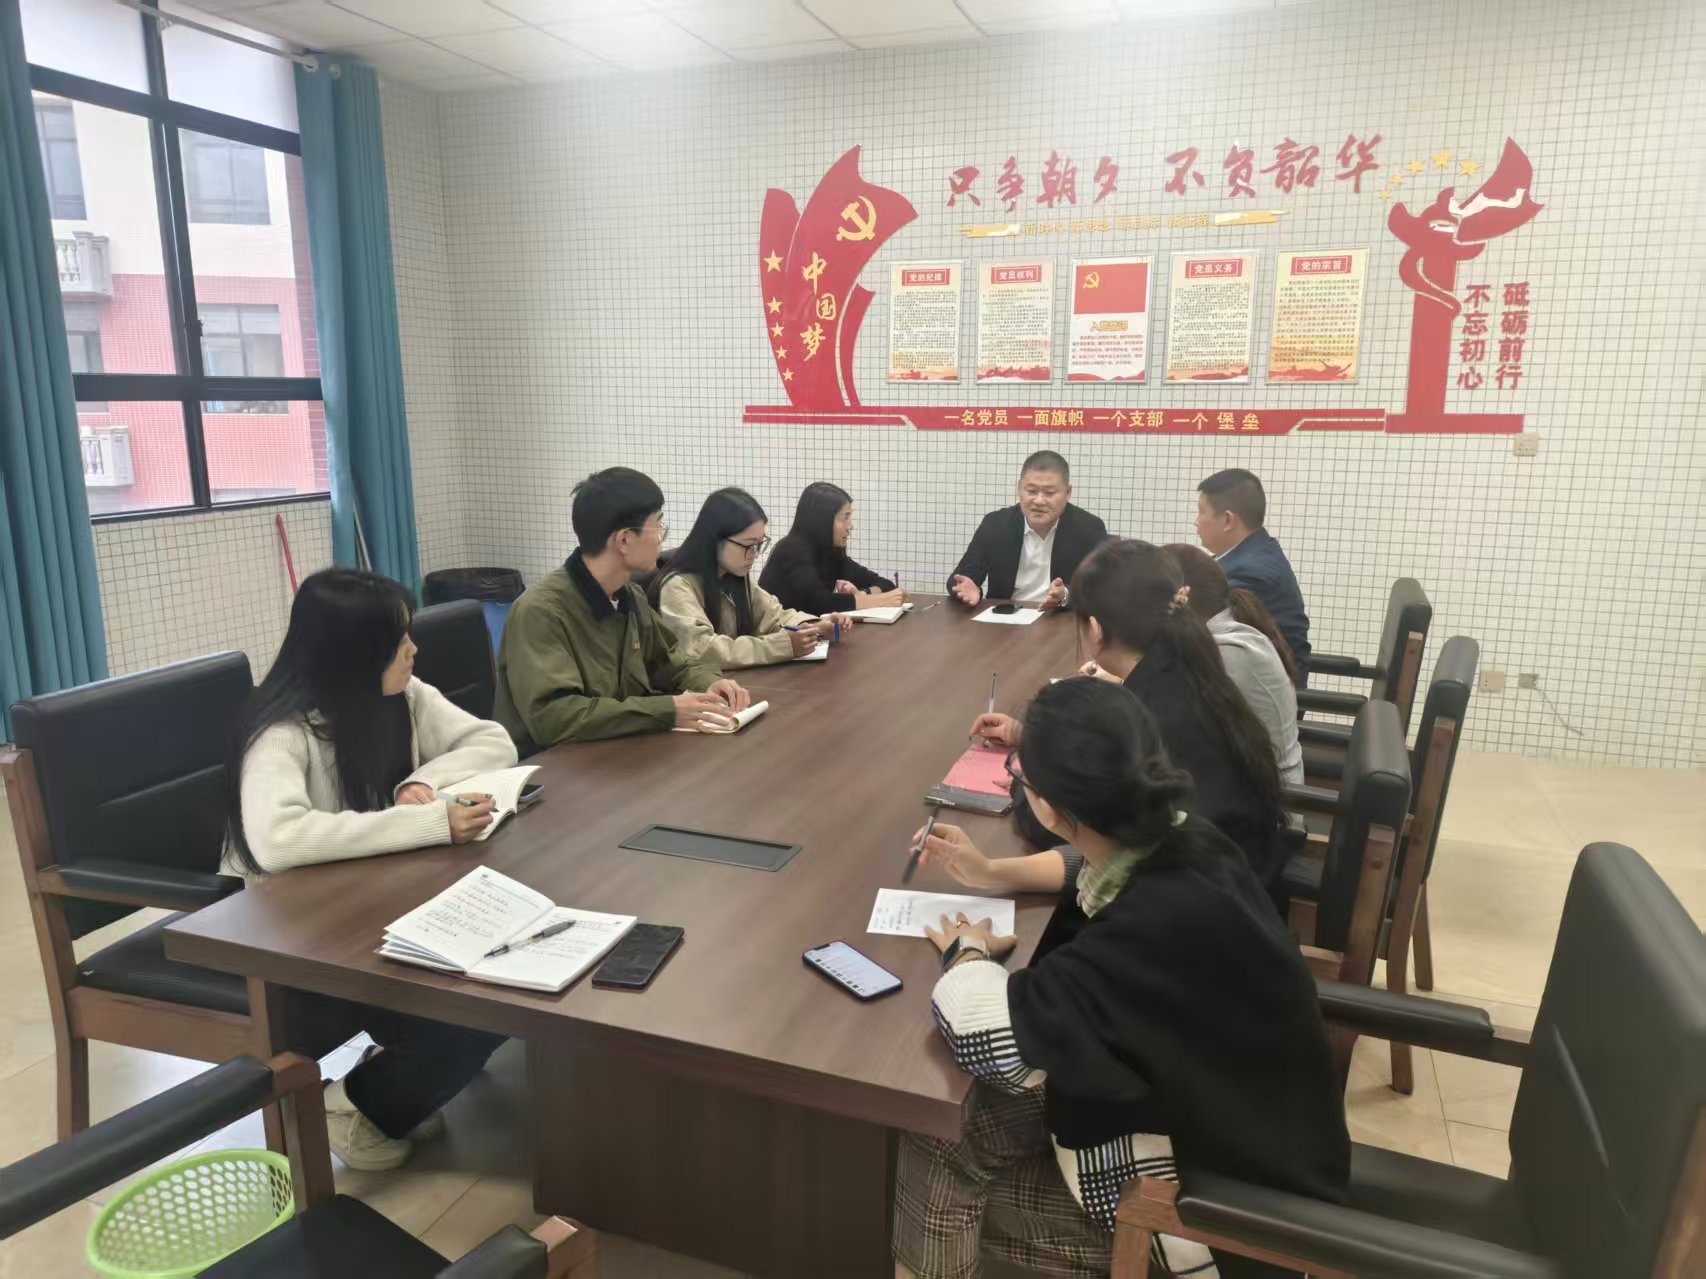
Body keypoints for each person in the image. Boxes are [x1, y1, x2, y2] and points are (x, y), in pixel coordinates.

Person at [896, 678, 1350, 1279]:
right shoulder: (1192, 840)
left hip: (1217, 1227)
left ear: (1049, 809)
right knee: (955, 1123)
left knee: (935, 1157)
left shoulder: (1141, 934)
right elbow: (1093, 859)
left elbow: (983, 1036)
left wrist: (966, 951)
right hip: (1259, 1145)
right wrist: (990, 872)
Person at [224, 567, 515, 1172]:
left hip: (374, 899)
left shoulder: (402, 696)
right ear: (354, 651)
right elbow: (278, 841)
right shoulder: (283, 732)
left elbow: (494, 742)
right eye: (398, 639)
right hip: (297, 925)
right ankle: (355, 1107)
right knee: (480, 1006)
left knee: (502, 982)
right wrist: (427, 822)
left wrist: (420, 782)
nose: (413, 650)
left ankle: (383, 1090)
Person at [973, 539, 1285, 890]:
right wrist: (1029, 736)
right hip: (1240, 878)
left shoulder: (1143, 713)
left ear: (1096, 629)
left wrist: (1030, 770)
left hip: (1193, 897)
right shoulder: (1191, 672)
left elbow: (1073, 824)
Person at [494, 467, 751, 750]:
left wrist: (709, 684)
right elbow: (555, 718)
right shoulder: (540, 612)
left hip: (615, 753)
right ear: (625, 540)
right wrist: (667, 710)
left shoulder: (628, 595)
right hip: (550, 765)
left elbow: (672, 662)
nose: (662, 537)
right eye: (658, 525)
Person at [653, 487, 852, 668]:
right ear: (715, 539)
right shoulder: (678, 586)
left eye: (759, 545)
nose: (755, 555)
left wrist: (815, 625)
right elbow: (702, 649)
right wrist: (781, 646)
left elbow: (773, 615)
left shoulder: (735, 576)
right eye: (749, 545)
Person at [1164, 543, 1303, 786]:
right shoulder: (1228, 630)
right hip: (1243, 782)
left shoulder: (1228, 651)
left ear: (1180, 601)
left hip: (1265, 798)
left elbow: (1167, 728)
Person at [948, 451, 1108, 610]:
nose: (1039, 500)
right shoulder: (996, 524)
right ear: (1019, 488)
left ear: (1068, 493)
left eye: (1049, 493)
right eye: (1031, 491)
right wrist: (967, 588)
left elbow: (1102, 587)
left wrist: (1065, 595)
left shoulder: (1089, 527)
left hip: (1061, 617)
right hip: (1006, 617)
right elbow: (960, 578)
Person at [1196, 468, 1311, 677]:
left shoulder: (1249, 572)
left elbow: (1198, 632)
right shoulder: (1253, 552)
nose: (1196, 521)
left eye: (1201, 511)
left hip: (1264, 692)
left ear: (1228, 520)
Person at [758, 481, 905, 615]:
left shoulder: (829, 551)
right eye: (844, 518)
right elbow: (817, 604)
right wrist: (878, 600)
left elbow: (885, 585)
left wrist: (863, 594)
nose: (850, 526)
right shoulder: (791, 551)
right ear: (822, 520)